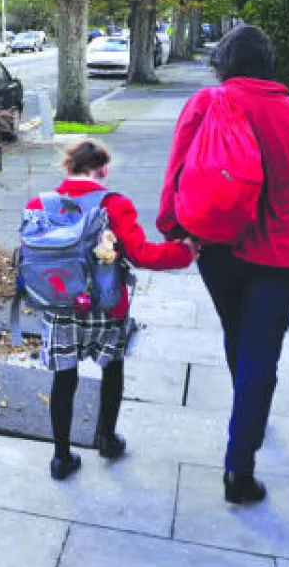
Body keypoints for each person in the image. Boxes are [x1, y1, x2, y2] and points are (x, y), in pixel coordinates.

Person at [157, 24, 289, 505]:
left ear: (224, 64)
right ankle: (240, 467)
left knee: (237, 333)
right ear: (270, 65)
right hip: (282, 255)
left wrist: (174, 228)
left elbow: (177, 170)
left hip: (218, 250)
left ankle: (247, 410)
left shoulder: (205, 105)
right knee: (261, 348)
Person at [31, 139, 197, 480]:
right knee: (112, 368)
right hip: (106, 305)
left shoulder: (40, 202)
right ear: (103, 169)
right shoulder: (115, 205)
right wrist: (186, 252)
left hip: (60, 305)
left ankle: (61, 457)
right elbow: (142, 254)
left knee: (65, 377)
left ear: (68, 167)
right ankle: (107, 439)